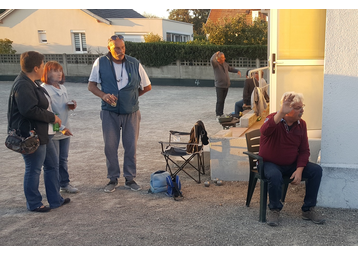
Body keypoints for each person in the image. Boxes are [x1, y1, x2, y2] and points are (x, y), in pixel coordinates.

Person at [7, 51, 70, 212]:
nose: (43, 68)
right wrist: (52, 117)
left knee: (52, 166)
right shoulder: (23, 84)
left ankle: (55, 199)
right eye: (42, 65)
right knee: (34, 168)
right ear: (36, 67)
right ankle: (34, 203)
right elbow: (29, 110)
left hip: (43, 133)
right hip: (31, 135)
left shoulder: (31, 82)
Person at [88, 35, 152, 193]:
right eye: (116, 47)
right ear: (109, 47)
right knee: (110, 147)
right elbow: (91, 86)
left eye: (122, 47)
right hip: (109, 112)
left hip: (131, 112)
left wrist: (132, 98)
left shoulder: (134, 63)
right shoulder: (100, 63)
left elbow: (147, 86)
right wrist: (103, 95)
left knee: (131, 146)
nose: (120, 50)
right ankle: (112, 179)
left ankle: (130, 179)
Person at [259, 91, 324, 226]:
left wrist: (299, 169)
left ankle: (308, 209)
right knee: (275, 175)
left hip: (291, 164)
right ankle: (275, 209)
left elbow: (304, 150)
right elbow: (265, 130)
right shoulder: (273, 119)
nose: (302, 110)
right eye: (298, 108)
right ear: (287, 109)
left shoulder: (302, 124)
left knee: (316, 170)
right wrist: (281, 113)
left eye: (302, 106)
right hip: (270, 163)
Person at [41, 61, 78, 193]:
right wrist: (61, 127)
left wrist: (71, 105)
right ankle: (54, 188)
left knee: (63, 159)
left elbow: (63, 107)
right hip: (53, 129)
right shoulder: (44, 89)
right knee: (53, 161)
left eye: (60, 71)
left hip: (65, 128)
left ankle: (64, 183)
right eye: (55, 71)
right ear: (47, 73)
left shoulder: (62, 88)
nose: (59, 74)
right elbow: (48, 113)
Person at [210, 51, 241, 120]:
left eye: (224, 57)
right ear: (219, 58)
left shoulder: (225, 64)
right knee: (219, 100)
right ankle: (218, 114)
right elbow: (212, 60)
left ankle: (221, 113)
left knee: (223, 100)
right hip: (219, 86)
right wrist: (216, 54)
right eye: (223, 57)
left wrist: (237, 71)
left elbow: (230, 69)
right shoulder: (216, 65)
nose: (224, 58)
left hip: (226, 85)